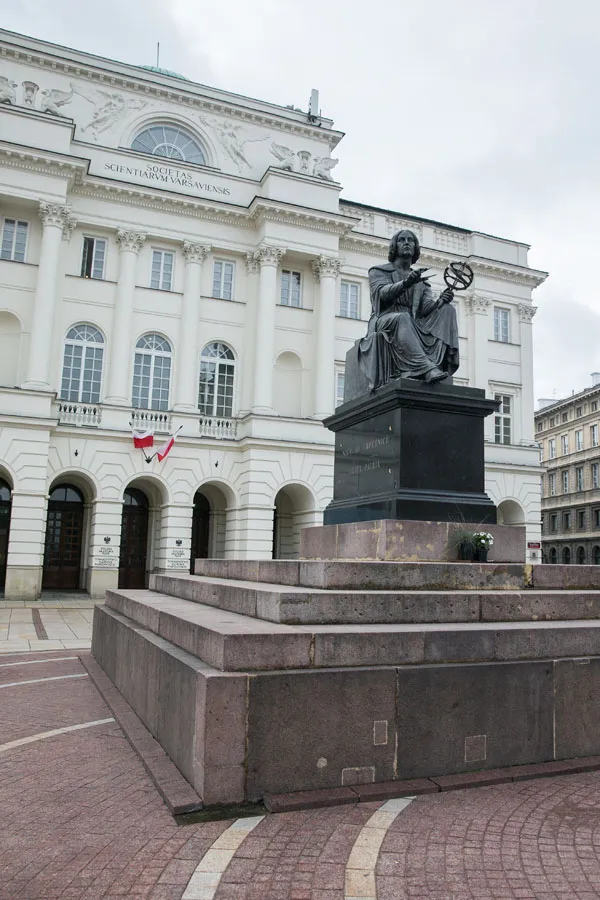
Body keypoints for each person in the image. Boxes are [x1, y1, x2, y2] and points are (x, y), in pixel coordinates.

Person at [358, 229, 459, 390]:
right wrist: (405, 284)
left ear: (415, 248)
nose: (406, 243)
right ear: (394, 246)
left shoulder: (422, 281)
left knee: (448, 310)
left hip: (412, 322)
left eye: (411, 240)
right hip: (384, 319)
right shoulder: (378, 271)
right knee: (402, 317)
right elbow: (382, 294)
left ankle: (439, 366)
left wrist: (440, 301)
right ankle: (427, 368)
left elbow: (426, 309)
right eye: (402, 240)